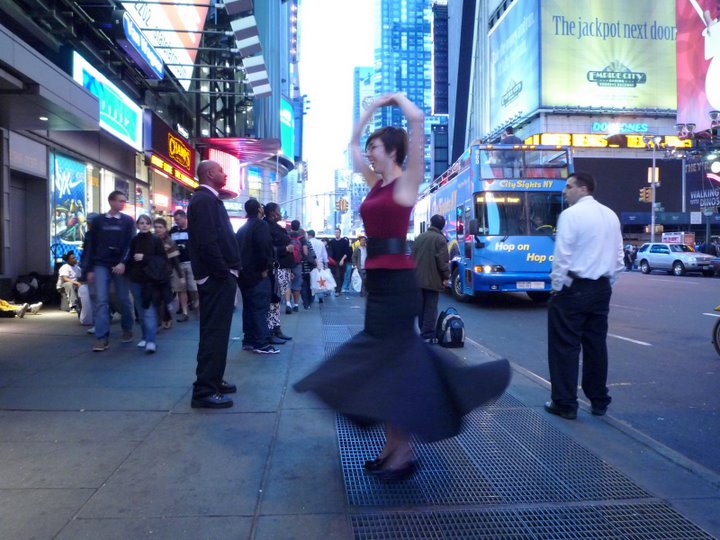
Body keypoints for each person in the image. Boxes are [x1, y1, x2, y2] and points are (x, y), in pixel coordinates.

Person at [294, 93, 511, 482]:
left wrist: (394, 101)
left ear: (392, 151)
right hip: (379, 282)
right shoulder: (374, 183)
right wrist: (365, 116)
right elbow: (351, 148)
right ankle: (397, 448)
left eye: (375, 147)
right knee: (395, 366)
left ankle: (402, 450)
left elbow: (417, 127)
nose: (369, 153)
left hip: (397, 284)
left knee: (393, 364)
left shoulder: (405, 185)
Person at [545, 172, 624, 420]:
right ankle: (599, 400)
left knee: (564, 347)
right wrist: (607, 281)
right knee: (596, 346)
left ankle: (565, 403)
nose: (564, 191)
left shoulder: (570, 215)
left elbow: (562, 255)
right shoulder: (610, 215)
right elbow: (619, 257)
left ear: (583, 189)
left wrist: (557, 286)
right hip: (601, 289)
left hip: (573, 287)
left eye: (569, 186)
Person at [187, 160, 241, 409]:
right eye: (221, 170)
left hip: (218, 276)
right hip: (216, 278)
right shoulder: (204, 200)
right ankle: (204, 390)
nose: (225, 173)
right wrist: (222, 273)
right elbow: (207, 242)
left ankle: (213, 380)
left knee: (218, 333)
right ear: (209, 174)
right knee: (214, 333)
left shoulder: (209, 200)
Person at [81, 190, 135, 352]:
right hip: (101, 263)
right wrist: (89, 269)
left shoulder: (127, 221)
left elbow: (130, 244)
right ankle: (102, 338)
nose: (123, 204)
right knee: (102, 300)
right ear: (111, 201)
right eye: (120, 201)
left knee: (123, 298)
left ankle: (127, 328)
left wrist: (123, 262)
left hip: (119, 264)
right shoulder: (99, 221)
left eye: (124, 201)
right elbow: (91, 245)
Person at [235, 199, 278, 354]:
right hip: (257, 275)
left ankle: (249, 340)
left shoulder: (242, 229)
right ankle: (261, 343)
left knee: (248, 308)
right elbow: (264, 248)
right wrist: (265, 268)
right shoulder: (261, 225)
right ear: (259, 210)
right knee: (260, 308)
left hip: (244, 275)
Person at [127, 215, 168, 354]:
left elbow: (163, 259)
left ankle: (151, 340)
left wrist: (145, 258)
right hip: (136, 279)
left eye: (147, 223)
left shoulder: (155, 240)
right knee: (140, 310)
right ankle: (146, 337)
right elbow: (129, 258)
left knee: (148, 310)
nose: (144, 225)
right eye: (141, 223)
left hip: (150, 281)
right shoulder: (134, 240)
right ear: (137, 225)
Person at [412, 215, 450, 341]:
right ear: (442, 226)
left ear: (430, 223)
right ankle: (427, 335)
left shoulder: (419, 237)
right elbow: (442, 261)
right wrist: (446, 276)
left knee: (421, 308)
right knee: (430, 309)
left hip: (417, 279)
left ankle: (423, 331)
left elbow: (412, 257)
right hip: (433, 280)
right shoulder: (440, 239)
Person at [264, 202, 294, 341]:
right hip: (275, 269)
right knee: (273, 298)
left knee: (277, 299)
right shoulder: (266, 227)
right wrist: (285, 249)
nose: (280, 213)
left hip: (282, 268)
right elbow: (268, 248)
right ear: (273, 213)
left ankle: (276, 328)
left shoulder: (275, 227)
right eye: (278, 211)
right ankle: (271, 329)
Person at [153, 217, 182, 329]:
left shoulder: (170, 242)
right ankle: (159, 319)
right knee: (156, 297)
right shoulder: (152, 240)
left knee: (165, 297)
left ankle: (166, 317)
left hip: (166, 273)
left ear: (165, 228)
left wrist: (180, 275)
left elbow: (175, 260)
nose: (158, 229)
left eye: (160, 227)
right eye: (156, 227)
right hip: (154, 273)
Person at [170, 209, 197, 322]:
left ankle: (196, 304)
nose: (176, 222)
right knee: (181, 289)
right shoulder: (173, 231)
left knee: (193, 288)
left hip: (191, 263)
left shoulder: (193, 230)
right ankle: (185, 312)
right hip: (178, 264)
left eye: (178, 220)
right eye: (175, 220)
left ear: (184, 218)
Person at [287, 219, 308, 312]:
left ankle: (288, 303)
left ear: (291, 226)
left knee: (287, 283)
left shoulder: (286, 236)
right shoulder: (302, 238)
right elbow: (305, 252)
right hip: (298, 264)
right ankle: (296, 305)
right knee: (297, 284)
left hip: (287, 263)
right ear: (298, 227)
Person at [327, 228, 352, 296]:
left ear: (340, 233)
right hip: (334, 262)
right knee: (337, 275)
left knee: (341, 276)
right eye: (335, 232)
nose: (336, 233)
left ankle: (339, 289)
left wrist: (342, 259)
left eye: (338, 232)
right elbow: (330, 251)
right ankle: (337, 290)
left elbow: (347, 252)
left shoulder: (344, 241)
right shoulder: (332, 242)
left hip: (342, 261)